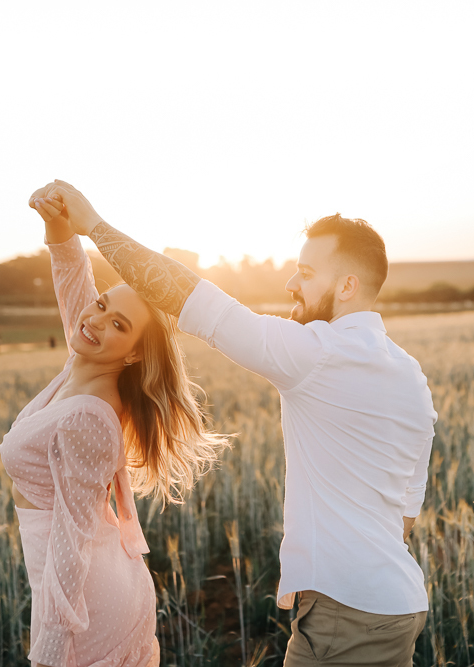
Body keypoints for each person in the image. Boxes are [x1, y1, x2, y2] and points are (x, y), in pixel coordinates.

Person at [33, 180, 438, 666]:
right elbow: (406, 513)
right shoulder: (409, 373)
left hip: (345, 614)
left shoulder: (317, 353)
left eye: (306, 273)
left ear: (347, 286)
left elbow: (190, 299)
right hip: (399, 606)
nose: (292, 284)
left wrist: (92, 225)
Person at [0, 194, 227, 667]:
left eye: (118, 324)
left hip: (89, 608)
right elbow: (72, 284)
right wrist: (59, 227)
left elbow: (72, 539)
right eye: (101, 305)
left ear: (133, 354)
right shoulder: (81, 363)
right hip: (78, 585)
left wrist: (52, 649)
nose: (96, 319)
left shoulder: (88, 416)